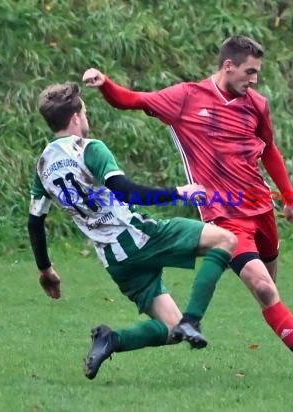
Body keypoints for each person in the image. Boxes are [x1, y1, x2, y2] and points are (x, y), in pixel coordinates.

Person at [82, 35, 293, 379]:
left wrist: (289, 196)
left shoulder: (257, 105)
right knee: (263, 288)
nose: (254, 79)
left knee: (270, 290)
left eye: (257, 72)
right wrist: (106, 84)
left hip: (261, 210)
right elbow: (132, 100)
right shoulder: (186, 98)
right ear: (227, 66)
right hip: (226, 216)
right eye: (249, 71)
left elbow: (269, 150)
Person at [28, 82, 237, 380]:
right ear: (75, 117)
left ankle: (111, 339)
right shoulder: (90, 149)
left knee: (170, 330)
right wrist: (180, 192)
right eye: (84, 112)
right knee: (226, 240)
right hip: (141, 237)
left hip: (115, 260)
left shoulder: (43, 164)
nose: (86, 118)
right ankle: (194, 319)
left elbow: (35, 222)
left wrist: (45, 269)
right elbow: (128, 193)